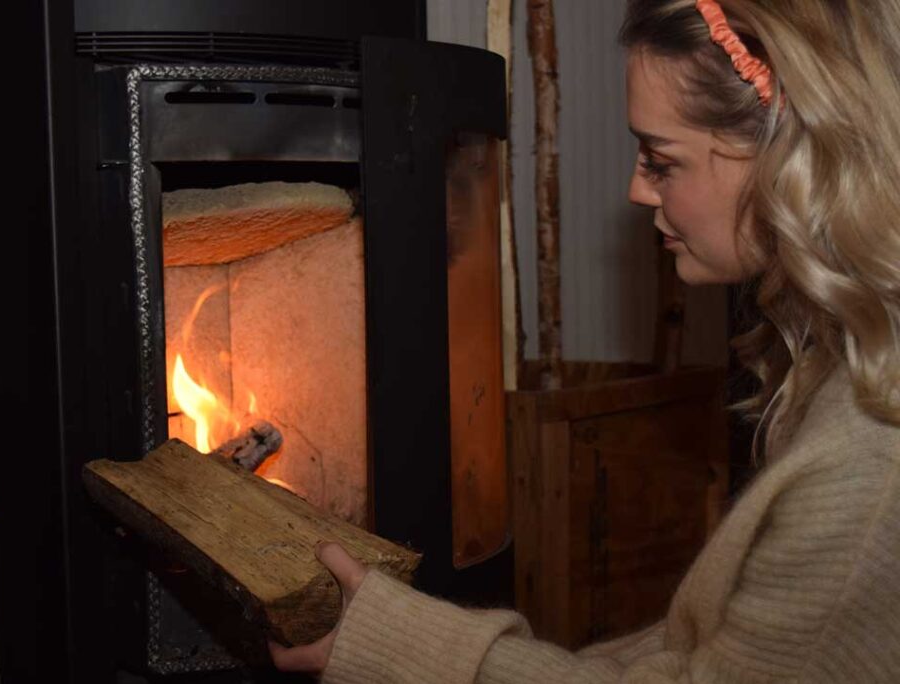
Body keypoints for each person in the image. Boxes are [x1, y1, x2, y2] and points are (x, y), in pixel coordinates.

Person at [270, 0, 900, 680]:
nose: (635, 187)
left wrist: (401, 647)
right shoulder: (851, 370)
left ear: (787, 157)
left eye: (660, 159)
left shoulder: (869, 457)